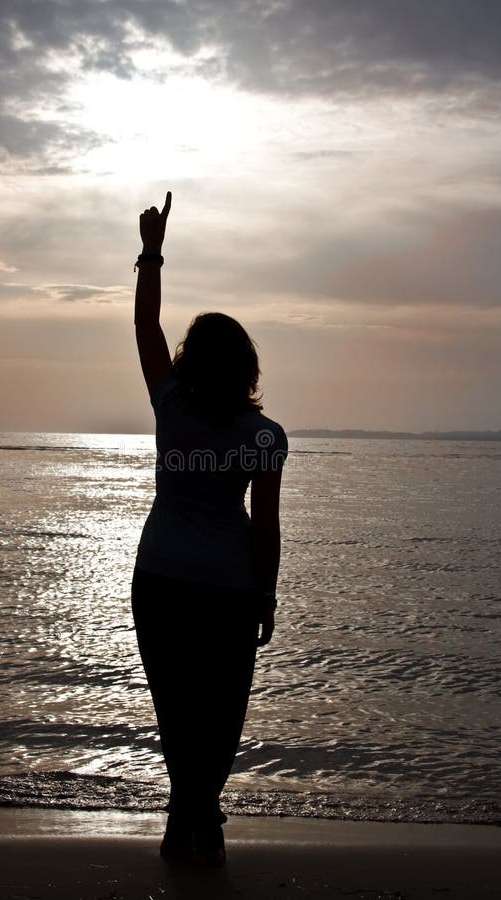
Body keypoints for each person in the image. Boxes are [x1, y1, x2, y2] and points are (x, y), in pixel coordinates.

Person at [131, 191, 287, 867]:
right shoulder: (264, 436)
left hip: (160, 578)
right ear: (247, 366)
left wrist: (153, 252)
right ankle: (204, 816)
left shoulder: (172, 407)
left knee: (176, 709)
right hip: (227, 588)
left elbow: (145, 327)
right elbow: (266, 525)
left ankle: (184, 812)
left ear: (193, 360)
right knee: (221, 714)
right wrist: (267, 595)